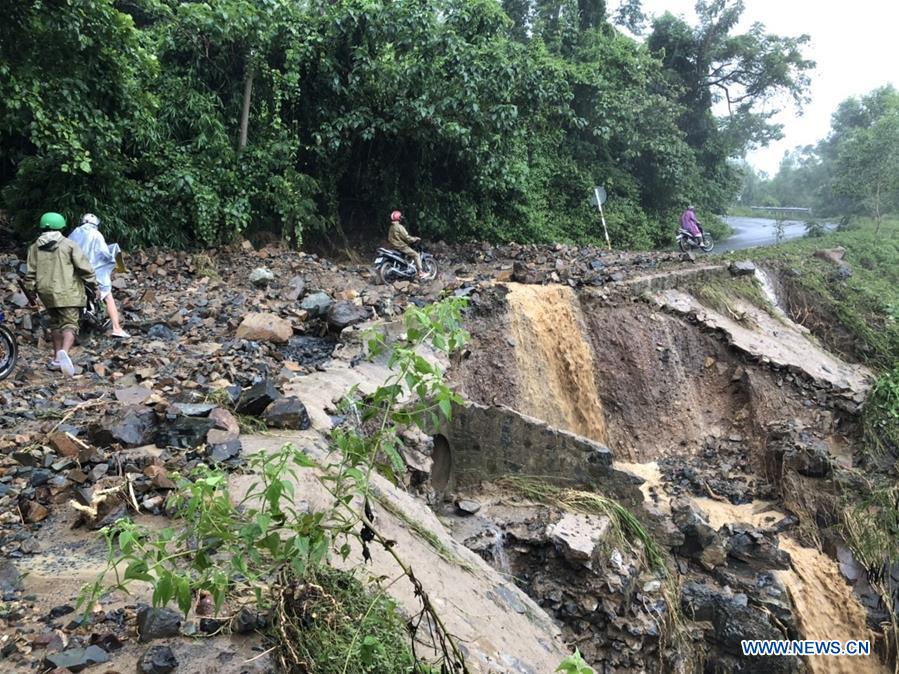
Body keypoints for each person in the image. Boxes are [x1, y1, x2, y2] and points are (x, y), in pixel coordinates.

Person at [23, 212, 98, 377]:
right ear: (61, 226)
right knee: (70, 324)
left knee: (55, 324)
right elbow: (84, 267)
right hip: (68, 291)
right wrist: (93, 283)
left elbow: (30, 274)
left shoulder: (34, 247)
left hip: (46, 293)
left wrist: (32, 292)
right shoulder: (68, 245)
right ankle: (64, 352)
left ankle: (56, 359)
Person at [69, 213, 129, 337]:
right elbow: (104, 253)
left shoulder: (74, 232)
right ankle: (116, 328)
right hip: (94, 272)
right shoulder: (96, 234)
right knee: (108, 296)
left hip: (75, 272)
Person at [387, 210, 424, 278]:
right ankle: (421, 272)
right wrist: (415, 239)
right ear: (399, 218)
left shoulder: (391, 227)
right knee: (416, 255)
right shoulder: (399, 227)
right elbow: (407, 238)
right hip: (401, 246)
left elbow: (390, 238)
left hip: (394, 246)